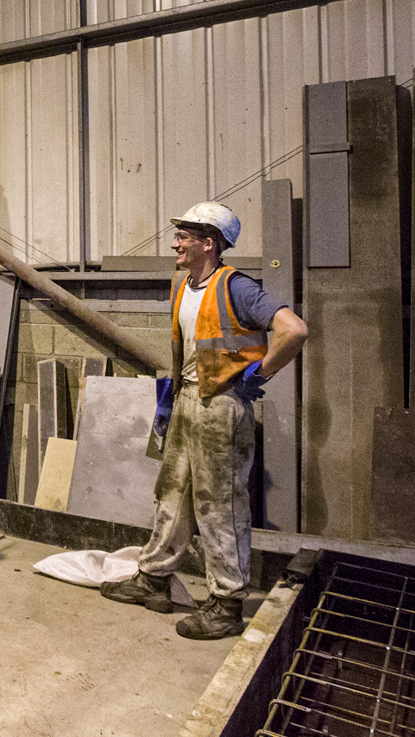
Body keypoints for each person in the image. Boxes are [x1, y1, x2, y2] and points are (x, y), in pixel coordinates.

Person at [100, 202, 309, 639]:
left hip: (222, 405)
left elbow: (294, 330)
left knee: (219, 505)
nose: (175, 242)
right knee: (172, 493)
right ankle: (154, 579)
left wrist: (262, 371)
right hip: (187, 400)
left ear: (208, 243)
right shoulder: (184, 285)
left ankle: (227, 604)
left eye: (184, 236)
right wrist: (172, 395)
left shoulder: (238, 287)